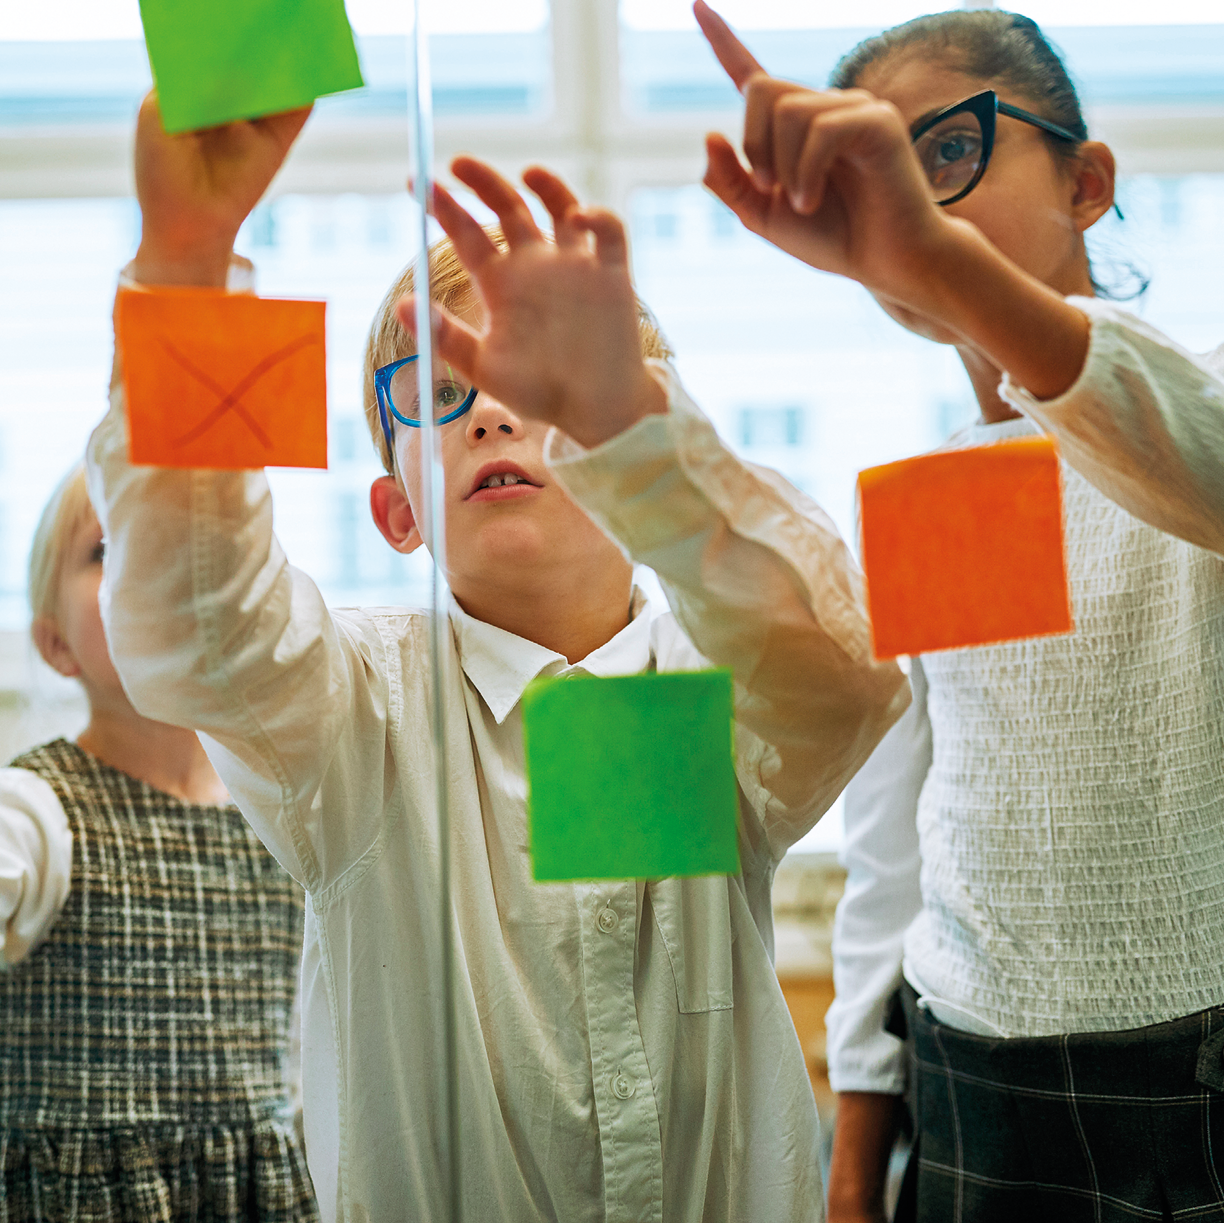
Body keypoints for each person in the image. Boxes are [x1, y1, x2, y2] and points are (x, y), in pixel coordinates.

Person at [85, 94, 910, 1222]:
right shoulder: (350, 714)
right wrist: (185, 266)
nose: (487, 415)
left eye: (537, 379)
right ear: (397, 513)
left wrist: (634, 429)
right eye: (434, 395)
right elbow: (195, 621)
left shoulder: (716, 688)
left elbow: (846, 676)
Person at [695, 0, 1224, 1221]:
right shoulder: (934, 494)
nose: (911, 199)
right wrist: (855, 1150)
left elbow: (1182, 449)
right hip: (971, 1079)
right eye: (870, 172)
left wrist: (936, 259)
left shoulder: (1188, 406)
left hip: (1195, 1076)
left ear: (1088, 183)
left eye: (949, 149)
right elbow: (897, 846)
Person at [0, 462, 317, 1222]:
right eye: (107, 548)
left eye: (178, 542)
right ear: (56, 645)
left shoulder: (283, 812)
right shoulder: (38, 808)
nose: (149, 564)